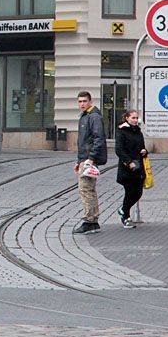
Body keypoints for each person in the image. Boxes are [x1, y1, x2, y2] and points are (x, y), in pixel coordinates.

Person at [73, 91, 107, 235]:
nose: (82, 104)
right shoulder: (85, 116)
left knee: (86, 190)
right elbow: (84, 141)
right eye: (80, 101)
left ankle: (90, 221)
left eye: (84, 101)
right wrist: (79, 161)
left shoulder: (93, 117)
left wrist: (90, 159)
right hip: (85, 159)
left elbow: (98, 138)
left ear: (90, 101)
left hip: (89, 160)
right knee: (89, 190)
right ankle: (92, 221)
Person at [115, 110, 147, 229]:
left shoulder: (138, 132)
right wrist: (128, 162)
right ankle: (126, 217)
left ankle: (123, 209)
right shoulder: (122, 132)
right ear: (127, 118)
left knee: (138, 193)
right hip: (127, 167)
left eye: (136, 118)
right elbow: (119, 149)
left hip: (138, 166)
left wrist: (144, 152)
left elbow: (142, 147)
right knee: (130, 192)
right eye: (133, 118)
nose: (135, 120)